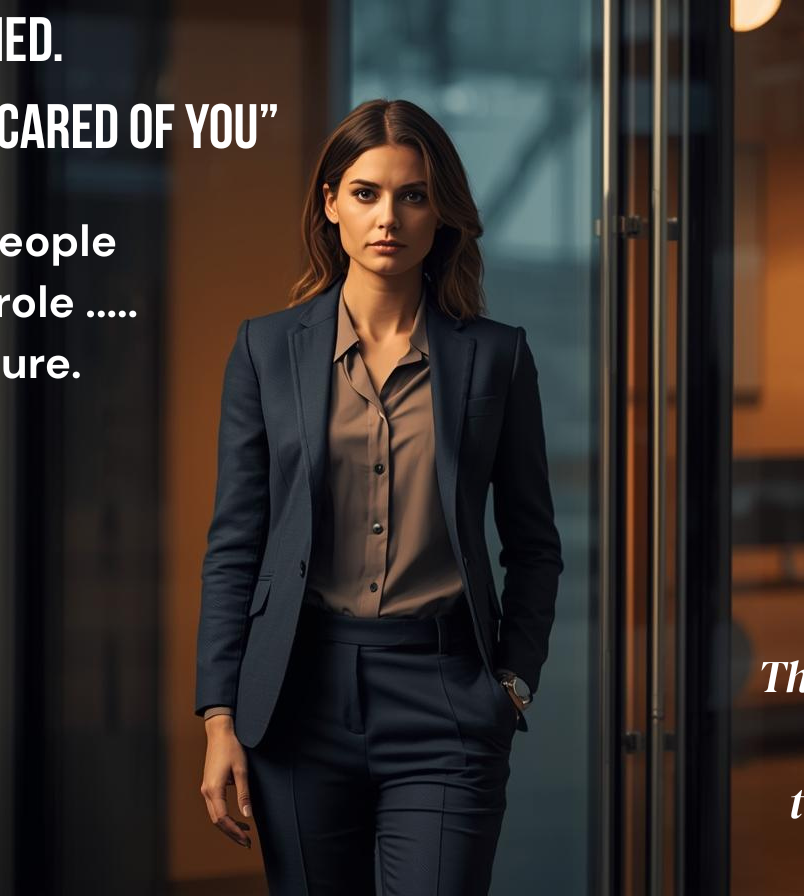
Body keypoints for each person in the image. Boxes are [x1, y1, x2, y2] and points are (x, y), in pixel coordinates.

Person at [194, 98, 563, 895]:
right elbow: (236, 545)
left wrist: (514, 680)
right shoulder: (265, 351)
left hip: (446, 695)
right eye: (365, 193)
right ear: (330, 204)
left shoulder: (497, 359)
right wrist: (220, 718)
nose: (387, 216)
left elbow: (534, 542)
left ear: (443, 215)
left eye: (413, 194)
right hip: (297, 694)